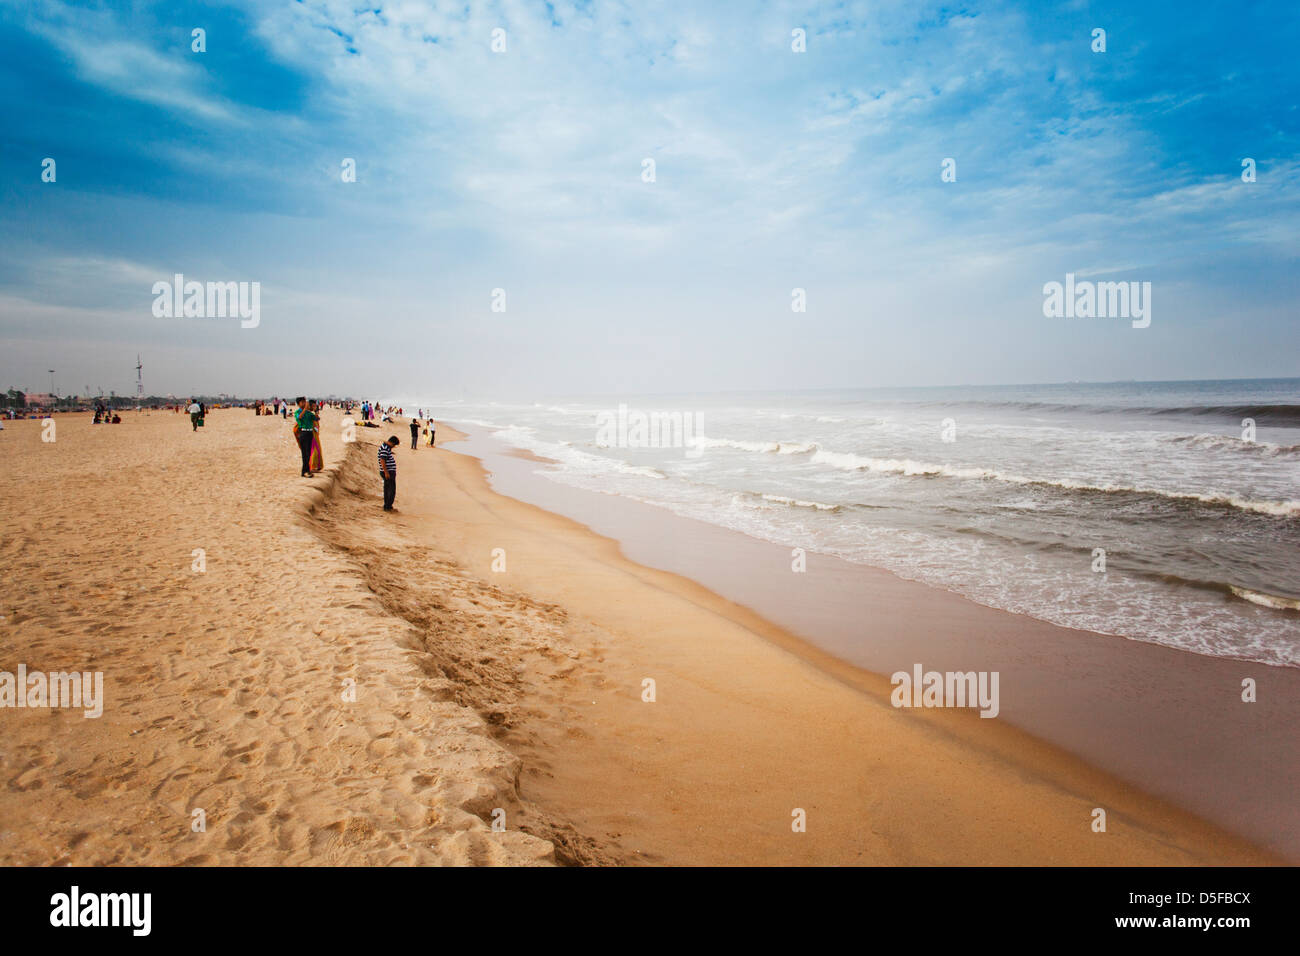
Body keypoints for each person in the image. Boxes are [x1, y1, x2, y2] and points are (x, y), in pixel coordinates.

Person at [293, 396, 317, 477]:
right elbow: (299, 417)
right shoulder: (298, 412)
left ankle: (307, 470)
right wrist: (305, 409)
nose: (304, 403)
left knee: (309, 453)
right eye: (302, 402)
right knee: (305, 453)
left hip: (310, 433)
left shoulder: (308, 413)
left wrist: (315, 411)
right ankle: (304, 471)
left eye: (304, 402)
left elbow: (316, 419)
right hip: (303, 433)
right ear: (298, 404)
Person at [378, 435, 399, 511]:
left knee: (387, 488)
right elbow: (382, 461)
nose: (393, 446)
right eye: (394, 445)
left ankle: (387, 505)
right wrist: (386, 472)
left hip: (389, 471)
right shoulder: (384, 448)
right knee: (391, 489)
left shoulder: (386, 448)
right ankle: (388, 506)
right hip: (388, 472)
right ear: (391, 442)